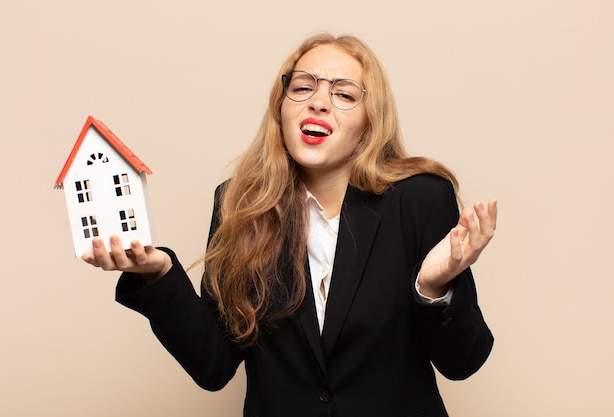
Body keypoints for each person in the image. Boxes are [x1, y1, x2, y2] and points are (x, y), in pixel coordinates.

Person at [83, 32, 497, 417]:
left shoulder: (420, 199)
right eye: (302, 87)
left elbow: (464, 363)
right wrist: (159, 275)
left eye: (344, 94)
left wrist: (434, 288)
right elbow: (213, 366)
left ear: (371, 122)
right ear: (280, 108)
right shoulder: (237, 204)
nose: (318, 102)